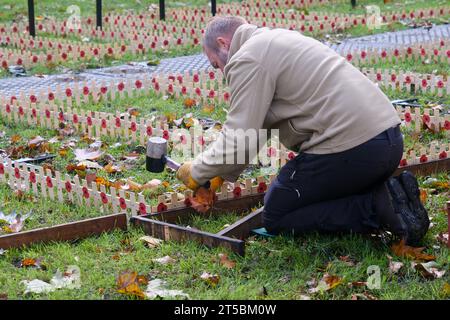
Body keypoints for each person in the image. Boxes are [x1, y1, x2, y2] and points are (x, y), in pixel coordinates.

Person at [176, 16, 429, 245]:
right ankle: (394, 194)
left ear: (222, 43)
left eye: (216, 64)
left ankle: (379, 207)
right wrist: (219, 175)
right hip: (388, 142)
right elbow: (256, 128)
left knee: (277, 212)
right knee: (308, 192)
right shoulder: (277, 38)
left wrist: (196, 172)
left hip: (353, 149)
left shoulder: (247, 58)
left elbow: (239, 138)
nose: (221, 72)